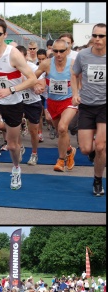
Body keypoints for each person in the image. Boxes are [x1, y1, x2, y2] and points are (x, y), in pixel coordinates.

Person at [0, 17, 38, 194]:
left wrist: (11, 90)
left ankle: (16, 169)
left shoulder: (13, 54)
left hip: (13, 102)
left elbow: (32, 79)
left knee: (12, 145)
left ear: (5, 35)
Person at [71, 23, 106, 196]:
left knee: (100, 146)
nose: (97, 39)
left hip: (105, 106)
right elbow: (74, 73)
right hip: (86, 105)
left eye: (101, 36)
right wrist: (75, 93)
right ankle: (96, 154)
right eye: (95, 35)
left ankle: (98, 180)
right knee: (86, 148)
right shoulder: (83, 55)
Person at [35, 39, 78, 173]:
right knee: (61, 132)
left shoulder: (73, 65)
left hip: (69, 101)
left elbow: (82, 81)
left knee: (62, 127)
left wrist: (78, 95)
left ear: (67, 51)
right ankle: (70, 150)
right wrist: (36, 85)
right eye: (55, 51)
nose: (58, 54)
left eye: (62, 51)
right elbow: (32, 77)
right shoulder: (46, 64)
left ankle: (61, 160)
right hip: (53, 102)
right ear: (51, 51)